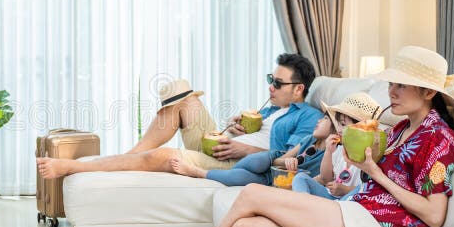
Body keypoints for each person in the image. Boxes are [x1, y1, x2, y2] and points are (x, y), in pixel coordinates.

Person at [125, 46, 454, 227]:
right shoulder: (401, 126)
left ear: (429, 92)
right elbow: (367, 176)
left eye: (402, 86)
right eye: (392, 83)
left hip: (381, 224)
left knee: (252, 194)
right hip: (358, 207)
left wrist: (374, 171)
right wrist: (353, 164)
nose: (391, 92)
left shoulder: (439, 138)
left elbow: (433, 214)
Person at [36, 54, 322, 179]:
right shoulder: (271, 108)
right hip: (225, 146)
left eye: (278, 83)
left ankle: (72, 167)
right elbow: (252, 132)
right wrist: (234, 129)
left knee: (163, 156)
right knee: (183, 98)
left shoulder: (308, 117)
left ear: (299, 89)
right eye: (271, 78)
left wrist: (244, 147)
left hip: (242, 162)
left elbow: (290, 160)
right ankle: (130, 156)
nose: (270, 86)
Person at [169, 114, 336, 186]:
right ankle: (227, 176)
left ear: (335, 130)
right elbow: (281, 159)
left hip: (278, 179)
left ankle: (198, 172)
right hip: (274, 163)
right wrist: (284, 162)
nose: (318, 120)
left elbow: (322, 179)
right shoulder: (309, 139)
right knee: (257, 161)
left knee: (240, 176)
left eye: (325, 119)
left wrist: (294, 170)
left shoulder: (332, 154)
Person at [292, 93, 382, 201]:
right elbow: (326, 178)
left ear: (361, 129)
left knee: (360, 189)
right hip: (330, 197)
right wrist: (328, 152)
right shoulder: (339, 150)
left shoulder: (369, 155)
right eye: (338, 124)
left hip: (349, 201)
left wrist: (346, 190)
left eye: (343, 125)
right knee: (300, 178)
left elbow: (368, 191)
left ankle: (309, 208)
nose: (338, 129)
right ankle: (304, 204)